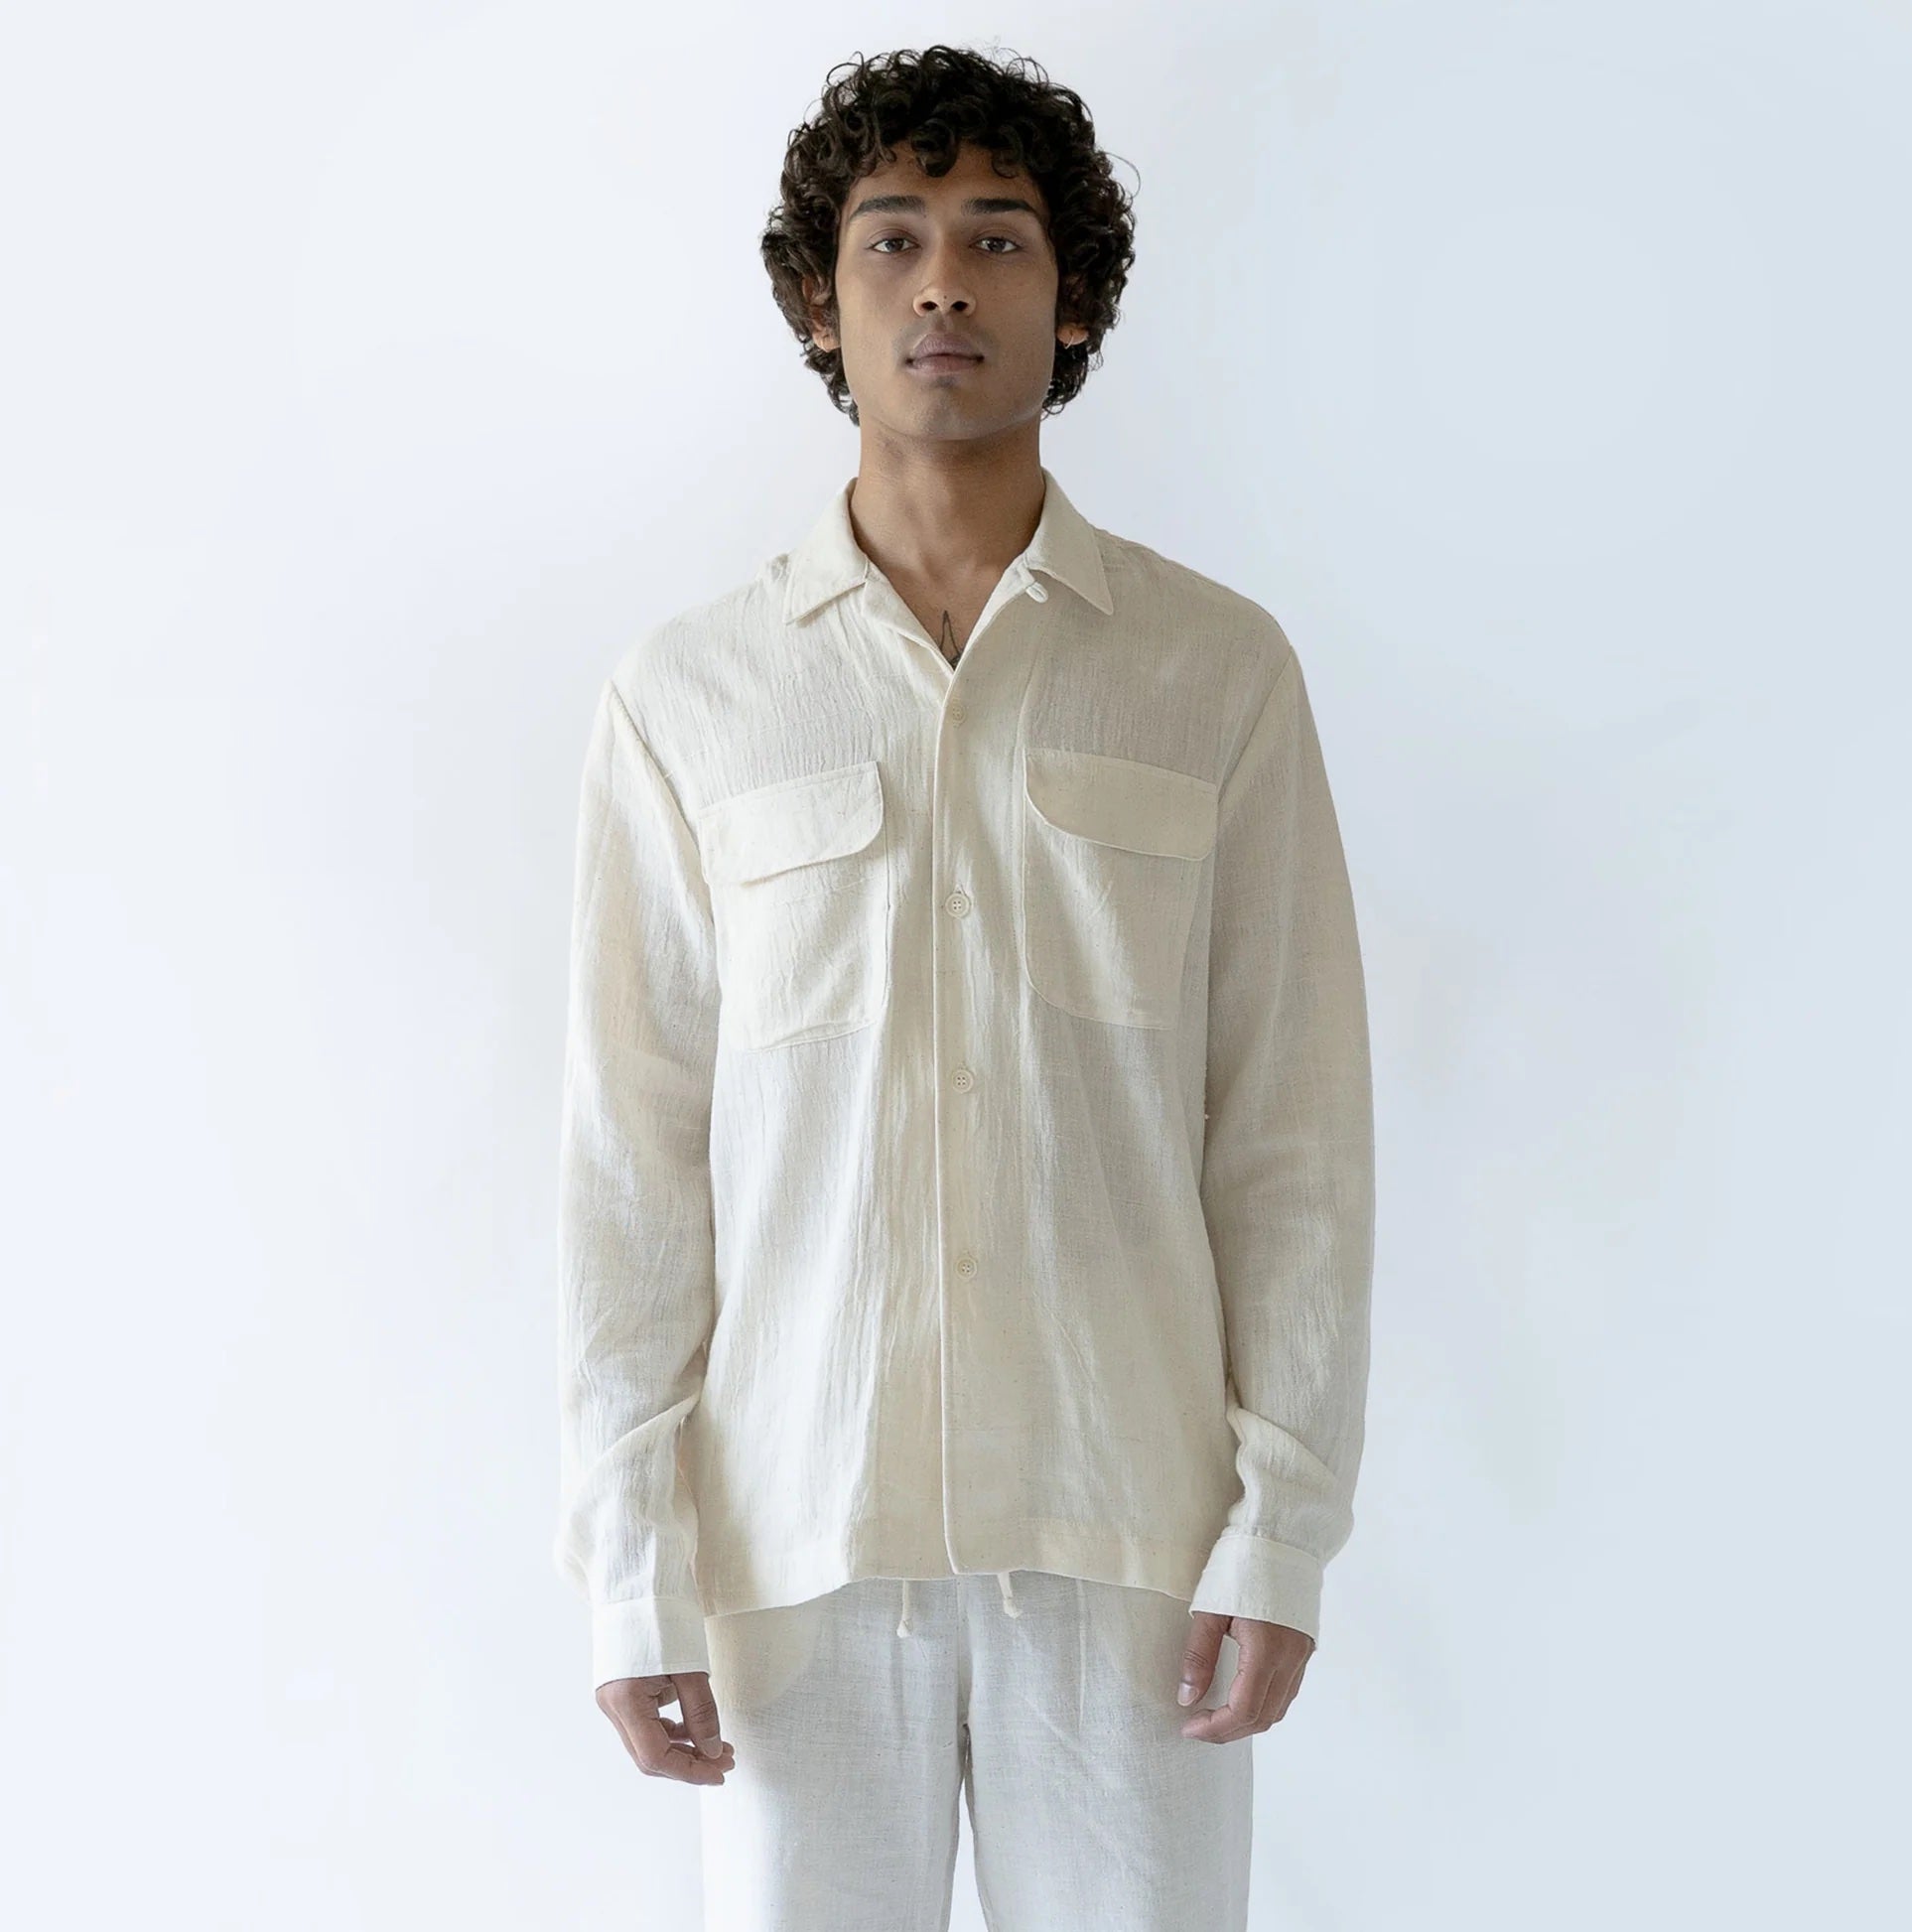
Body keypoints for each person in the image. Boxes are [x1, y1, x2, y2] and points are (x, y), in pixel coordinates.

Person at [552, 43, 1375, 1932]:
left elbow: (1291, 1131)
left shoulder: (1213, 673)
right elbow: (629, 1161)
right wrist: (630, 1565)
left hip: (1132, 1540)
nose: (942, 282)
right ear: (818, 304)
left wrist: (1280, 1530)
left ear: (1069, 301)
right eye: (892, 239)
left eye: (996, 238)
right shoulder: (690, 696)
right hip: (789, 1550)